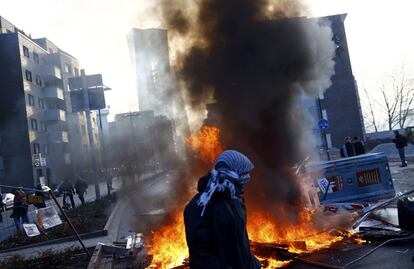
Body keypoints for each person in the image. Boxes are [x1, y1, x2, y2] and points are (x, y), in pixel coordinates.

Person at [184, 150, 260, 269]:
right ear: (231, 173)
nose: (247, 178)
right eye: (244, 174)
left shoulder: (236, 200)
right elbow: (201, 257)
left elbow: (241, 244)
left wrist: (253, 264)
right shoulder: (200, 206)